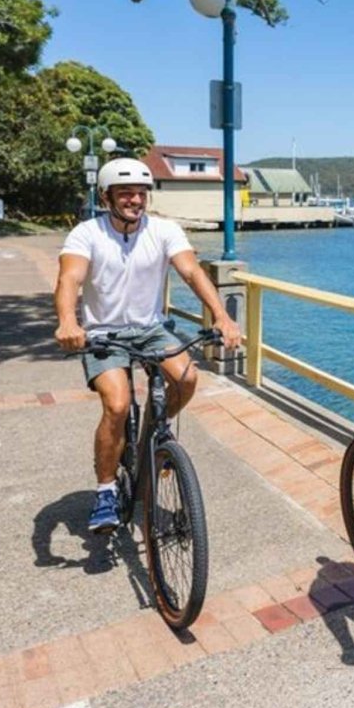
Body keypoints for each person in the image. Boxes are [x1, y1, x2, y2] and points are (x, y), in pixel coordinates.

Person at [54, 157, 242, 533]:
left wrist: (221, 315)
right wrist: (68, 321)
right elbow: (69, 279)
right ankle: (106, 489)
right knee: (118, 404)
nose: (135, 201)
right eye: (126, 194)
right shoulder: (86, 233)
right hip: (104, 333)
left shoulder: (164, 230)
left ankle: (155, 435)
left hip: (150, 329)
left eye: (140, 194)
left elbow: (190, 271)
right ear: (107, 197)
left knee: (187, 378)